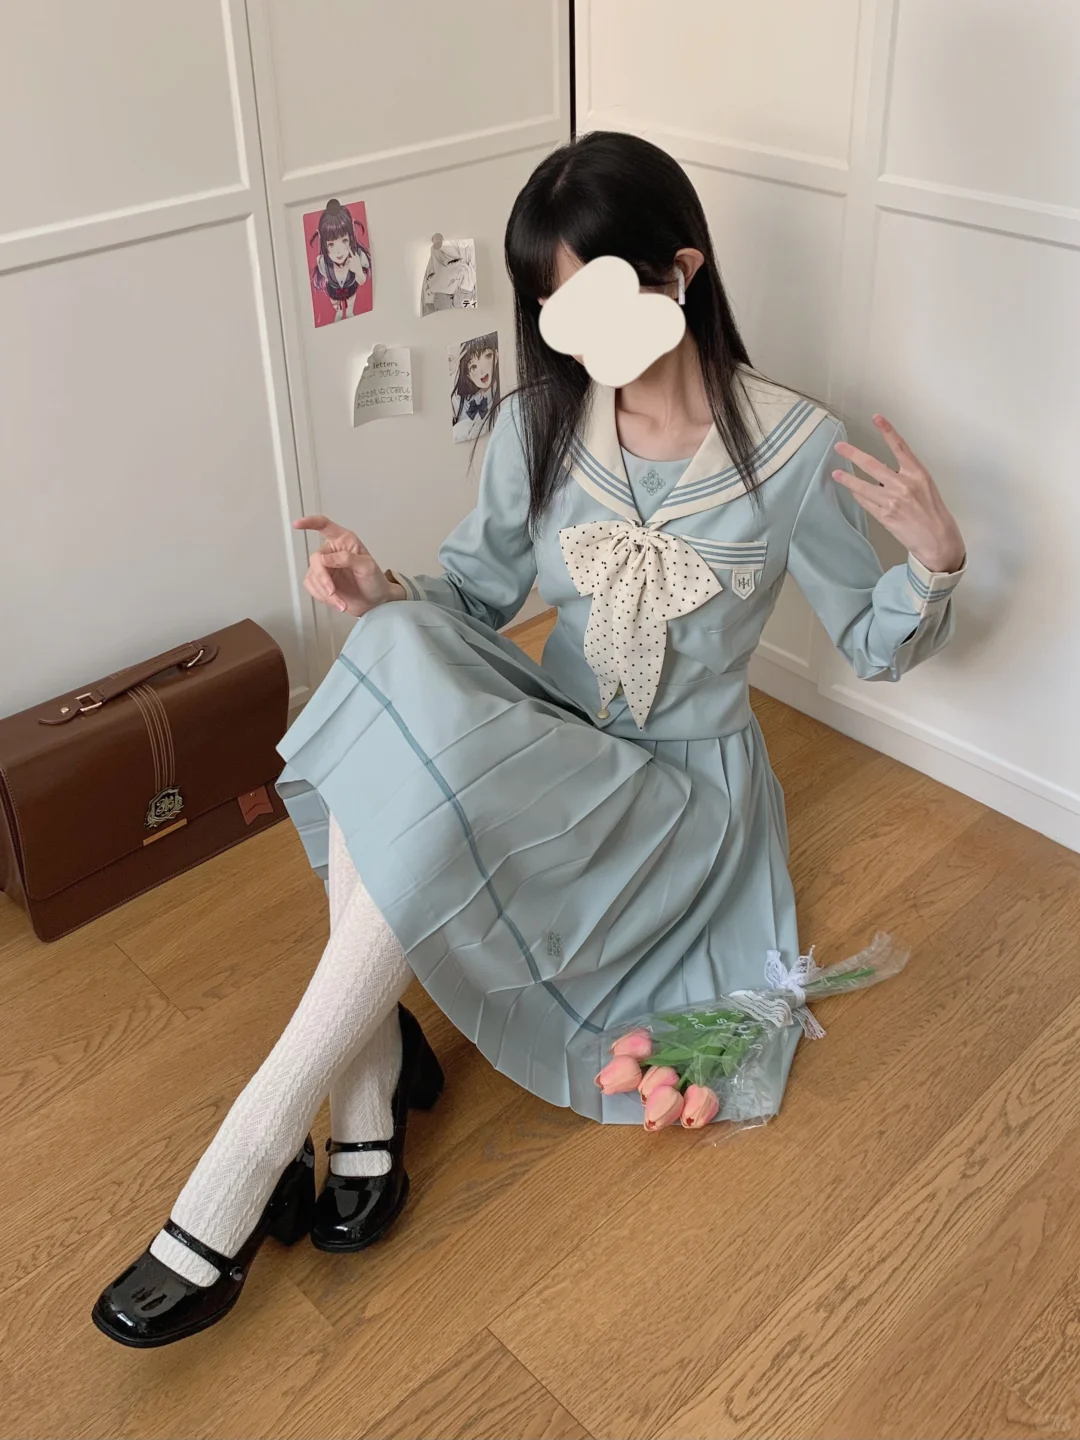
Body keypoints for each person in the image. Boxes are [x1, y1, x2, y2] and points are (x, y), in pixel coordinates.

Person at [94, 131, 966, 1348]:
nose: (573, 337)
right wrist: (379, 590)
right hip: (550, 733)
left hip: (676, 800)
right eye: (555, 312)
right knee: (394, 646)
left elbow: (870, 644)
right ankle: (343, 1093)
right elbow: (471, 594)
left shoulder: (795, 447)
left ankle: (295, 1132)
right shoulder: (541, 423)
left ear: (681, 272)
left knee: (424, 765)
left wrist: (933, 561)